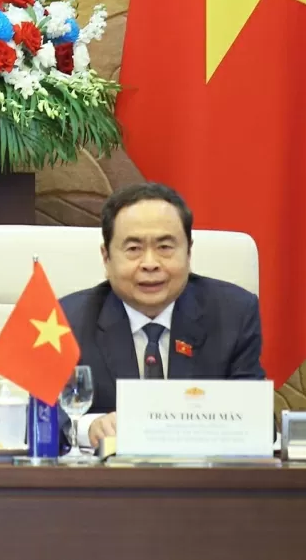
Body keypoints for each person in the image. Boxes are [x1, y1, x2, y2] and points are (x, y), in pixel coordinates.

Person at [61, 182, 266, 449]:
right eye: (133, 249)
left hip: (202, 483)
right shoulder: (66, 320)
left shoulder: (233, 314)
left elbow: (257, 419)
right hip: (108, 486)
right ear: (106, 258)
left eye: (165, 247)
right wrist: (89, 427)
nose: (150, 263)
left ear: (189, 252)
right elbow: (41, 415)